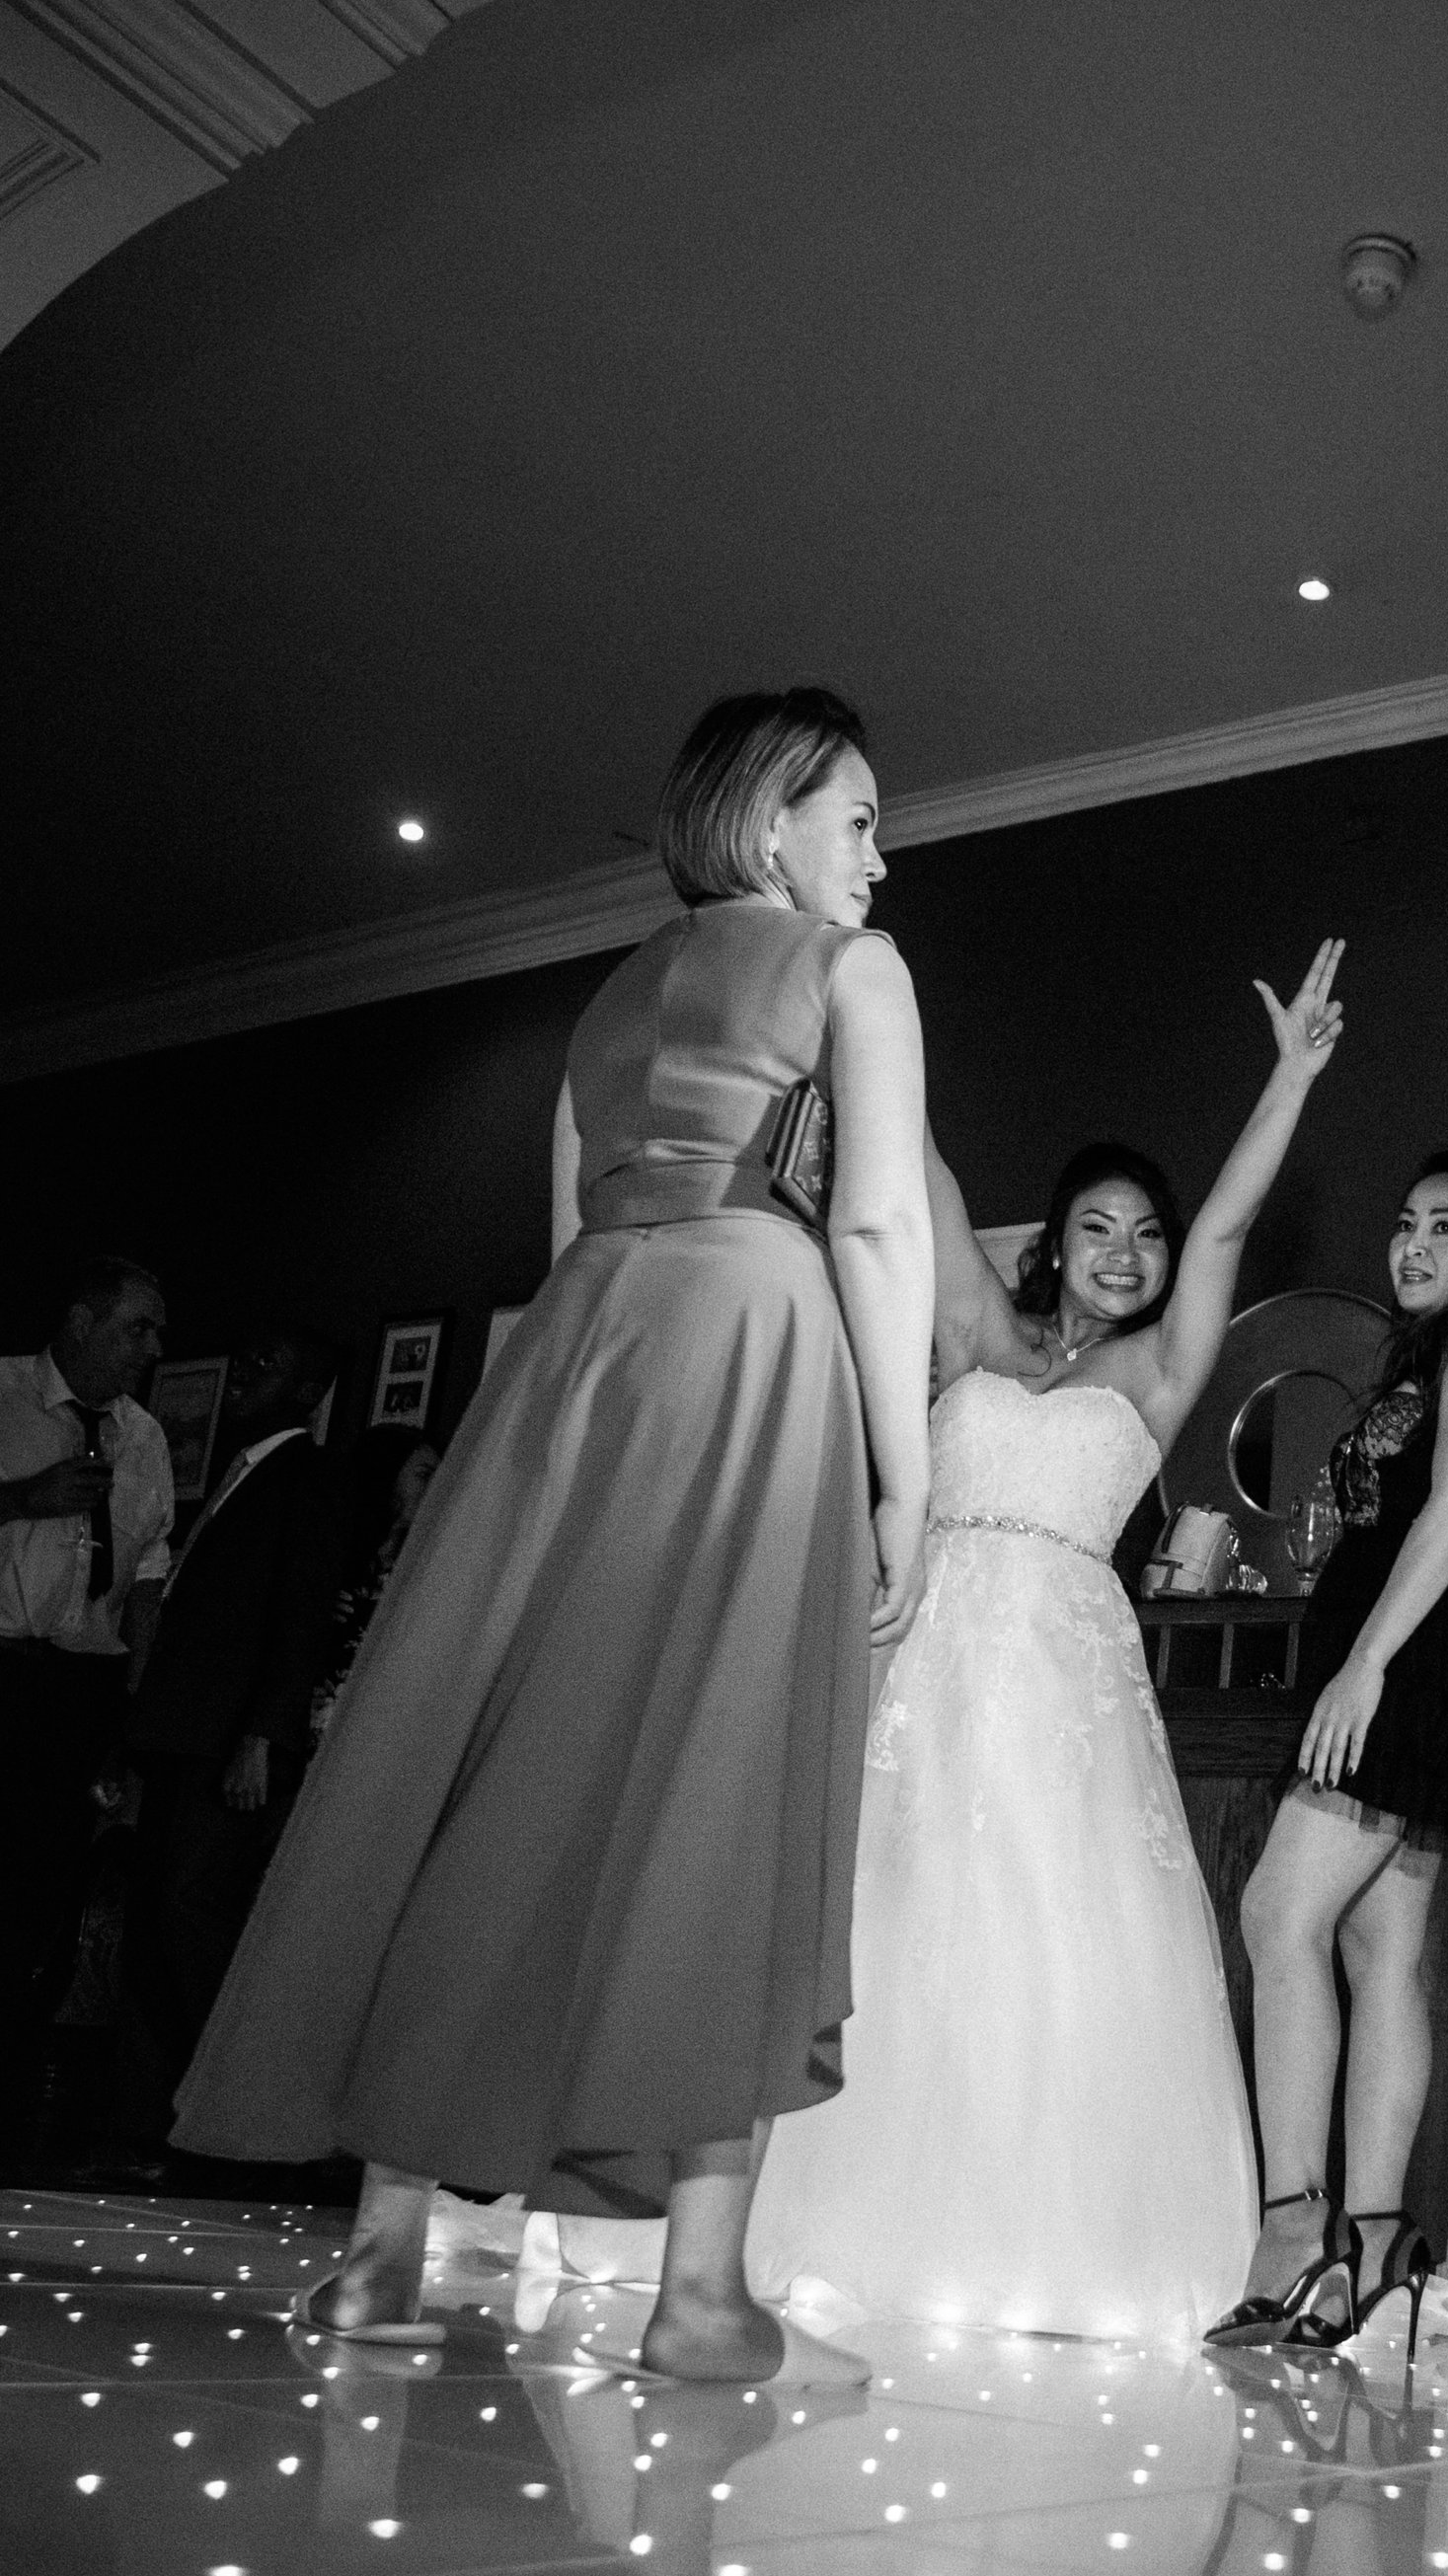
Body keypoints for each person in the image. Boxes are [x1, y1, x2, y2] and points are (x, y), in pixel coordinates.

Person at [175, 686, 936, 2382]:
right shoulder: (849, 971)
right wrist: (908, 1474)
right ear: (767, 826)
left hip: (582, 1360)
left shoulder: (601, 1003)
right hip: (752, 1344)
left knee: (498, 1778)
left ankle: (382, 2259)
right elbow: (878, 1224)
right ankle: (699, 2296)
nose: (881, 859)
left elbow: (560, 1237)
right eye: (861, 822)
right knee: (723, 1782)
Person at [744, 941, 1346, 2348]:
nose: (1127, 1251)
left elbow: (1223, 1237)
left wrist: (1292, 1078)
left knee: (1034, 1926)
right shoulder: (975, 1330)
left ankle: (1028, 2235)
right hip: (922, 1651)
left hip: (1063, 1674)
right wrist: (857, 1025)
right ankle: (823, 2207)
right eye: (1099, 1227)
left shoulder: (1158, 1369)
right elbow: (928, 1171)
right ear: (1056, 1239)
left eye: (1143, 1231)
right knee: (889, 1914)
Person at [1219, 1152, 1448, 2357]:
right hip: (1408, 1653)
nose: (1410, 1246)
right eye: (1402, 1224)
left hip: (1407, 1659)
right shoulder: (1438, 1350)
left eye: (1440, 1229)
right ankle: (1375, 2253)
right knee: (1377, 1945)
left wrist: (1365, 1666)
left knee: (1274, 1916)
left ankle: (1295, 2230)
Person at [116, 1323, 346, 2155]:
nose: (246, 1368)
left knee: (191, 1917)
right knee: (153, 1921)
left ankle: (233, 2115)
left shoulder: (306, 1477)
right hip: (182, 1735)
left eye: (268, 1359)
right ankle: (150, 2122)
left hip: (226, 1745)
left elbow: (300, 1612)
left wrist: (263, 1733)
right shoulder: (239, 1470)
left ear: (309, 1390)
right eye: (246, 1356)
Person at [0, 1257, 173, 2152]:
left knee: (44, 1898)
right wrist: (21, 1500)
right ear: (79, 1320)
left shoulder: (143, 1438)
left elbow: (146, 1574)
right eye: (136, 1329)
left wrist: (137, 1710)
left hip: (80, 1690)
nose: (152, 1350)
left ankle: (16, 2097)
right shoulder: (2, 1396)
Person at [309, 1426, 439, 1742]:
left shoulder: (428, 1571)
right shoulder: (326, 1555)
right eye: (424, 1475)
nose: (435, 1488)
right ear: (386, 1473)